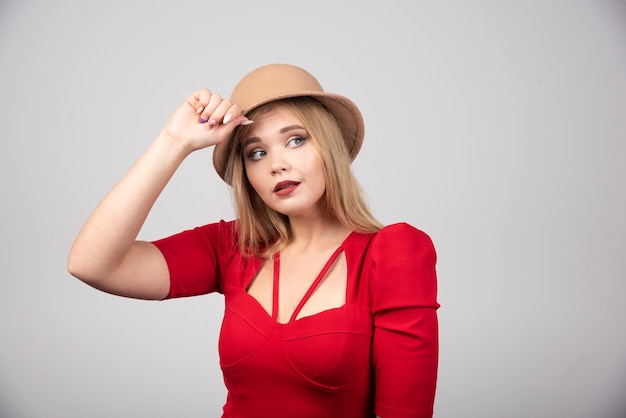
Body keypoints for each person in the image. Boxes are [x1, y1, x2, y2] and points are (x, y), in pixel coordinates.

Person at [67, 63, 439, 418]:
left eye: (295, 140)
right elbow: (92, 263)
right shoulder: (232, 245)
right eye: (256, 153)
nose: (276, 164)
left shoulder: (394, 252)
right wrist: (173, 141)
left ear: (331, 146)